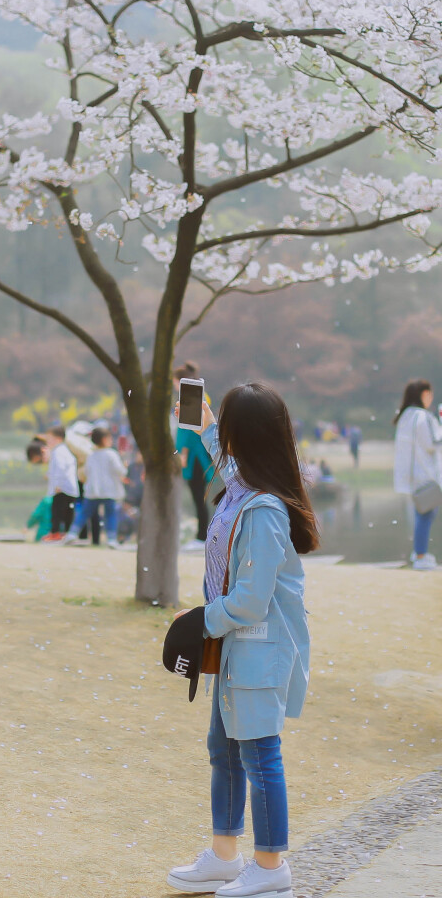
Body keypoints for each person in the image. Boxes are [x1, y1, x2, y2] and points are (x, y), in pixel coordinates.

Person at [166, 382, 317, 898]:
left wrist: (199, 622)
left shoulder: (263, 509)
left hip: (258, 649)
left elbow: (252, 600)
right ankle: (224, 857)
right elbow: (224, 457)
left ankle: (271, 868)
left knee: (259, 757)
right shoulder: (243, 485)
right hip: (237, 648)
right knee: (224, 751)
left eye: (229, 426)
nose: (224, 439)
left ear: (245, 436)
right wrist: (205, 424)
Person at [392, 378, 441, 570]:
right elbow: (433, 443)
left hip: (410, 475)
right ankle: (420, 555)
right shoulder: (423, 417)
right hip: (426, 474)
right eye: (430, 394)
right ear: (424, 394)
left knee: (421, 512)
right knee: (426, 514)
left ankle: (419, 553)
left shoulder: (405, 416)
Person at [174, 361, 219, 552]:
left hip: (196, 456)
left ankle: (202, 537)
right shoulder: (200, 396)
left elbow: (187, 431)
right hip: (200, 454)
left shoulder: (192, 399)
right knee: (199, 497)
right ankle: (202, 536)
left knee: (199, 497)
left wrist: (182, 453)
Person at [60, 426, 127, 547]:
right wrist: (125, 467)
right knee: (110, 514)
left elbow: (86, 472)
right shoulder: (111, 454)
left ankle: (72, 534)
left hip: (92, 491)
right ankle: (111, 539)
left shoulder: (92, 455)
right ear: (105, 439)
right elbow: (120, 471)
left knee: (84, 513)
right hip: (109, 491)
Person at [40, 426, 79, 538]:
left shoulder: (59, 452)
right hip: (67, 487)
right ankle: (65, 533)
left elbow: (60, 469)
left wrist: (58, 485)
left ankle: (55, 533)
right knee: (67, 512)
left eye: (49, 439)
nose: (47, 441)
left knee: (57, 511)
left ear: (58, 439)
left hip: (62, 488)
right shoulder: (62, 450)